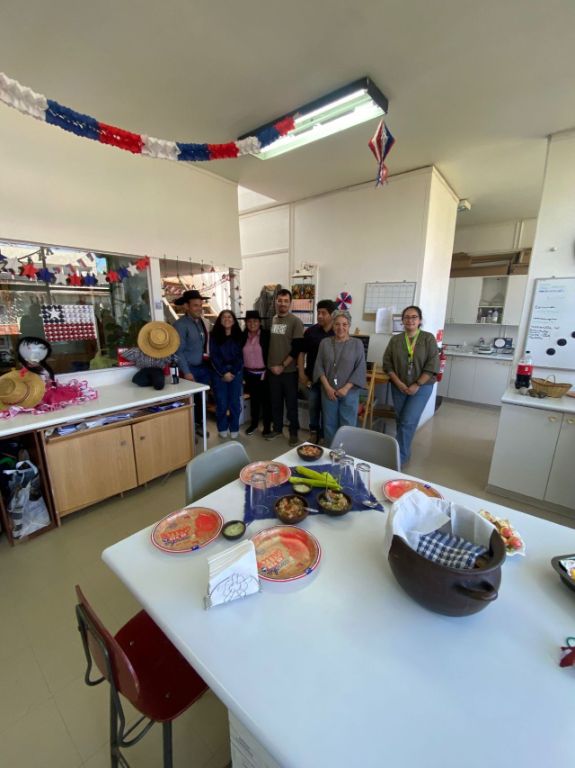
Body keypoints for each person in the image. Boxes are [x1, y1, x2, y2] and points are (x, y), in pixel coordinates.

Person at [382, 305, 440, 466]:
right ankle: (404, 452)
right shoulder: (396, 340)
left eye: (414, 317)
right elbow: (387, 363)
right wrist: (398, 382)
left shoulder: (428, 339)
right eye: (407, 317)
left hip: (422, 387)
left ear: (420, 320)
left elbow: (433, 364)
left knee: (408, 421)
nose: (410, 320)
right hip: (398, 386)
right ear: (402, 320)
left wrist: (417, 384)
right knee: (401, 420)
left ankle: (399, 458)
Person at [313, 310, 366, 447]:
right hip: (328, 391)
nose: (340, 327)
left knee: (347, 425)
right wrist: (327, 387)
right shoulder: (325, 343)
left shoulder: (357, 344)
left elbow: (360, 368)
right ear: (332, 325)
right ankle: (331, 451)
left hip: (349, 392)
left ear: (349, 326)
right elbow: (319, 366)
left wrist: (346, 388)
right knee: (329, 424)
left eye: (344, 324)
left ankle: (346, 452)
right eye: (337, 324)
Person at [266, 289, 304, 445]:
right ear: (276, 301)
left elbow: (297, 349)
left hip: (288, 372)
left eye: (286, 301)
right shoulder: (272, 320)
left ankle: (293, 433)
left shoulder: (295, 321)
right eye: (280, 300)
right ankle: (277, 429)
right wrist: (271, 366)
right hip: (272, 371)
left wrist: (282, 366)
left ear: (290, 303)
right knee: (275, 403)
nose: (282, 303)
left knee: (291, 404)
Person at [297, 299, 335, 444]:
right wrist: (301, 374)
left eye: (323, 313)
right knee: (313, 407)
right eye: (318, 312)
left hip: (330, 382)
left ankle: (324, 436)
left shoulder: (337, 332)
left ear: (332, 315)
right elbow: (301, 353)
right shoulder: (311, 332)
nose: (319, 316)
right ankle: (314, 433)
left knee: (327, 410)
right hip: (313, 379)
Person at [174, 289, 211, 437]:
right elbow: (178, 351)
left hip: (203, 367)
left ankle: (200, 425)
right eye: (195, 305)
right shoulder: (180, 325)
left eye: (200, 305)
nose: (199, 308)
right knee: (190, 401)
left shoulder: (202, 322)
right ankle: (190, 431)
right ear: (186, 306)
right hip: (189, 369)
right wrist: (187, 372)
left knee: (202, 399)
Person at [210, 310, 244, 439]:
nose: (227, 319)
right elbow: (214, 356)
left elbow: (241, 356)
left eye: (229, 317)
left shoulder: (240, 336)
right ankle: (222, 427)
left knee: (234, 402)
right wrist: (224, 372)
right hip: (219, 373)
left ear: (234, 320)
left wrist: (233, 372)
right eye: (224, 317)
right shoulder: (214, 336)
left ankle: (234, 427)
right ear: (220, 320)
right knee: (221, 402)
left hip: (236, 373)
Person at [241, 310, 272, 436]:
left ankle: (267, 427)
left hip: (264, 374)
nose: (252, 324)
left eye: (255, 321)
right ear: (246, 323)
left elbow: (272, 353)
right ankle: (254, 424)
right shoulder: (243, 336)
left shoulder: (267, 335)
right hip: (249, 374)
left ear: (260, 322)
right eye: (249, 321)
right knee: (254, 401)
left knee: (266, 402)